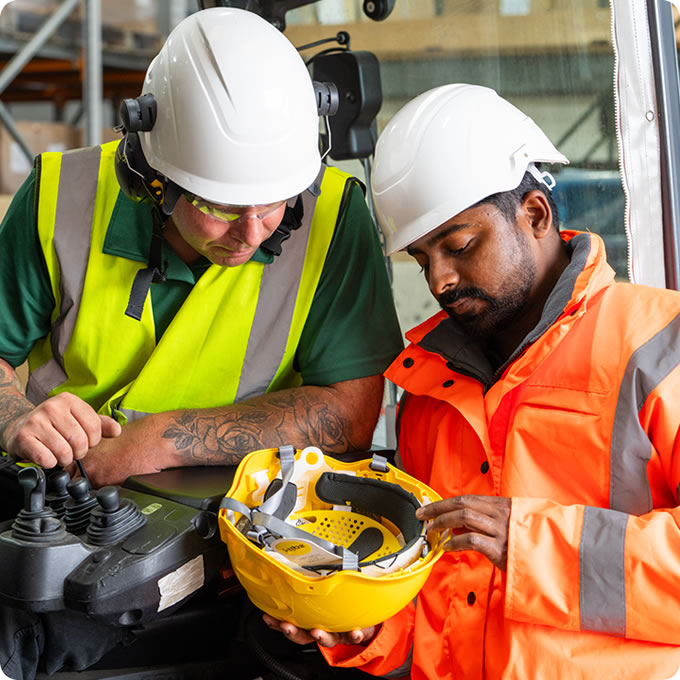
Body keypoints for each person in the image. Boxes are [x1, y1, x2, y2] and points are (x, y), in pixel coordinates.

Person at [0, 7, 402, 679]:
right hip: (48, 503)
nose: (252, 233)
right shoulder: (58, 197)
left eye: (275, 203)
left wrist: (156, 441)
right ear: (151, 176)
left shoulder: (333, 217)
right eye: (219, 206)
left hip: (224, 529)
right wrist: (17, 418)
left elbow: (353, 409)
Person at [264, 83, 680, 679]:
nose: (440, 280)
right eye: (422, 258)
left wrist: (532, 547)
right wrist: (359, 625)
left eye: (458, 246)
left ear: (533, 214)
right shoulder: (425, 385)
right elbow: (433, 606)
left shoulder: (658, 346)